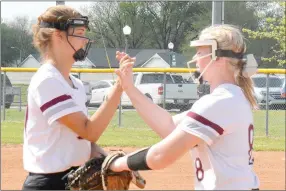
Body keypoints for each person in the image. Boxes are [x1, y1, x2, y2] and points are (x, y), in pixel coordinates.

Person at [109, 24, 260, 190]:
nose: (195, 57)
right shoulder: (229, 98)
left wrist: (116, 164)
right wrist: (129, 88)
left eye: (200, 51)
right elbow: (169, 127)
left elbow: (161, 156)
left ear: (217, 56)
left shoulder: (219, 102)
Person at [22, 5, 135, 190]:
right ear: (58, 36)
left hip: (72, 179)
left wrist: (111, 162)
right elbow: (89, 130)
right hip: (48, 183)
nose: (85, 40)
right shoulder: (47, 80)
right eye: (80, 33)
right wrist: (119, 86)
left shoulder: (75, 83)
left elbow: (84, 140)